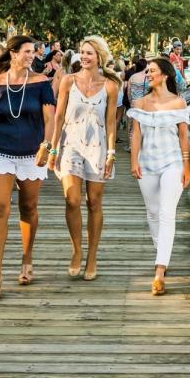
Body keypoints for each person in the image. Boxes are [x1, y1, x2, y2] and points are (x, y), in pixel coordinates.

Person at [0, 35, 55, 301]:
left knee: (28, 207)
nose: (31, 55)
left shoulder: (41, 83)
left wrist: (48, 145)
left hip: (33, 152)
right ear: (12, 53)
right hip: (0, 151)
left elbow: (50, 118)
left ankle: (27, 258)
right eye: (27, 51)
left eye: (33, 51)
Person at [48, 36, 120, 281]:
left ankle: (92, 256)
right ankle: (77, 250)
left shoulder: (110, 85)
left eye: (89, 52)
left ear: (99, 56)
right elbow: (58, 118)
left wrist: (111, 153)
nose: (84, 56)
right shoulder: (68, 81)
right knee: (72, 199)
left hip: (98, 147)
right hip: (70, 145)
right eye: (82, 52)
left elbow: (111, 123)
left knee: (94, 203)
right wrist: (52, 149)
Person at [127, 57, 190, 295]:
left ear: (165, 75)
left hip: (172, 162)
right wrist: (134, 161)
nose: (148, 75)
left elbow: (183, 136)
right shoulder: (140, 103)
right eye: (147, 71)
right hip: (147, 163)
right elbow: (136, 135)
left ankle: (160, 270)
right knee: (153, 213)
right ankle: (161, 252)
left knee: (166, 212)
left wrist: (186, 167)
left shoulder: (178, 103)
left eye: (152, 71)